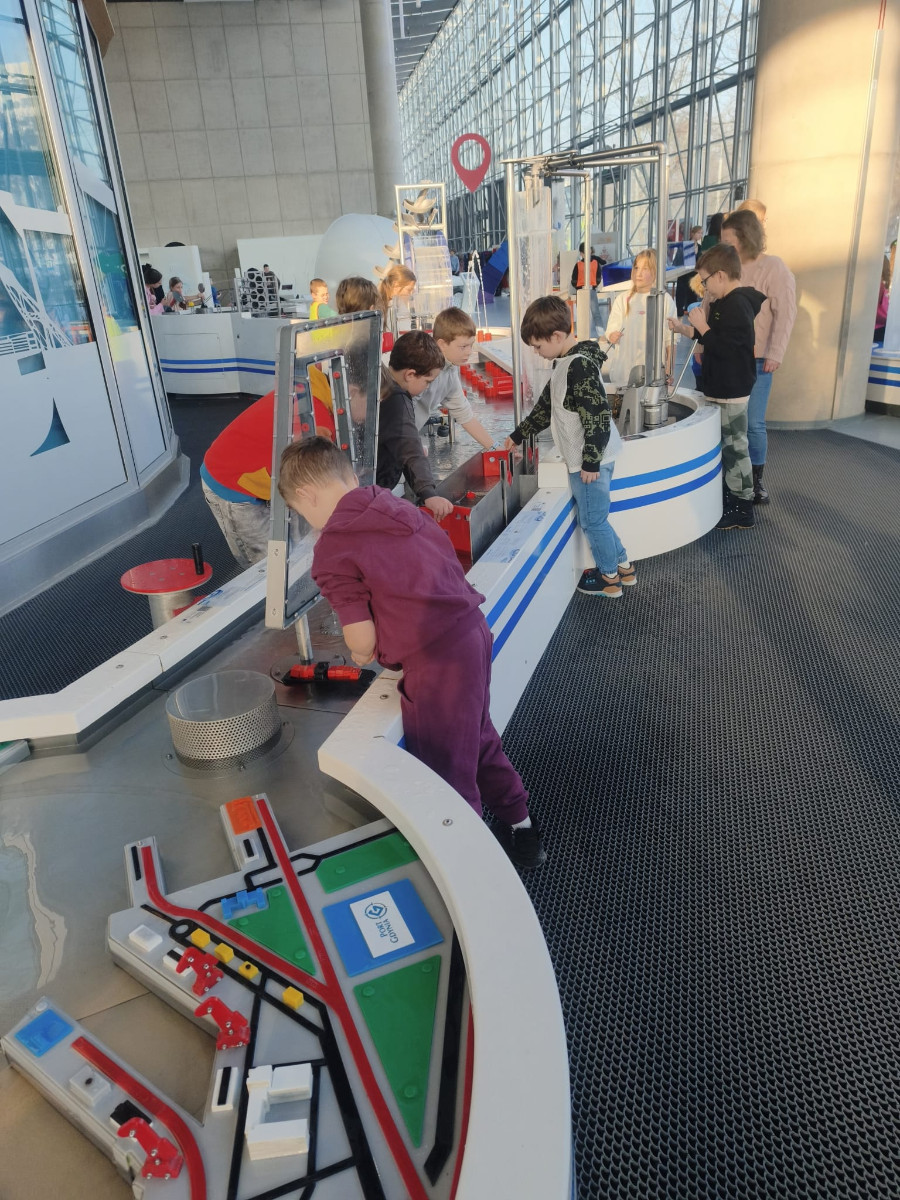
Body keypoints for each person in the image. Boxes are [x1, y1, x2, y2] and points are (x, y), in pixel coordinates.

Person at [276, 437, 546, 868]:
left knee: (446, 767)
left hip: (436, 663)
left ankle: (466, 864)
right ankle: (521, 823)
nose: (311, 524)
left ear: (307, 495)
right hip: (472, 632)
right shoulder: (394, 505)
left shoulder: (333, 548)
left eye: (301, 512)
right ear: (348, 476)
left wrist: (361, 654)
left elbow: (361, 640)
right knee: (477, 737)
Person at [504, 295, 634, 598]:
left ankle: (609, 579)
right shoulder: (567, 364)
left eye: (538, 346)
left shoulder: (578, 367)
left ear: (557, 336)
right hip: (594, 459)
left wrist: (590, 462)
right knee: (598, 518)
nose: (536, 353)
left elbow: (598, 416)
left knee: (593, 521)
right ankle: (623, 567)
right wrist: (519, 434)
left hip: (590, 464)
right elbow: (546, 406)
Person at [668, 243, 765, 531]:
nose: (704, 287)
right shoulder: (726, 303)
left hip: (731, 389)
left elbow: (726, 348)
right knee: (729, 446)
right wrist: (685, 329)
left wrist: (702, 326)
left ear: (720, 275)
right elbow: (712, 339)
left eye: (705, 280)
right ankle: (734, 496)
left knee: (735, 447)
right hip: (722, 386)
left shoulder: (737, 305)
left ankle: (742, 505)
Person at [719, 209, 796, 504]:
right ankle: (731, 477)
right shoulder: (726, 265)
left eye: (729, 240)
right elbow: (709, 302)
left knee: (752, 423)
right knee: (726, 421)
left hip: (758, 359)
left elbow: (785, 313)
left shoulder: (773, 267)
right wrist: (701, 346)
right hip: (726, 356)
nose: (725, 245)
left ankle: (756, 480)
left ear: (746, 237)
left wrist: (776, 352)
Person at [378, 331, 454, 520]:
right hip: (375, 489)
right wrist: (429, 493)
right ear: (410, 374)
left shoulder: (381, 383)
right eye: (427, 382)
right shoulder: (396, 399)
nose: (427, 388)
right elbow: (410, 448)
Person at [200, 392, 279, 568]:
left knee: (290, 552)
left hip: (264, 478)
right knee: (269, 567)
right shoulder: (319, 420)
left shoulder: (312, 385)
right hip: (232, 487)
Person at [414, 308, 494, 450]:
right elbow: (402, 412)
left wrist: (495, 448)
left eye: (471, 345)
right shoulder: (422, 368)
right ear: (442, 345)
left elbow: (464, 414)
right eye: (463, 347)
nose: (469, 352)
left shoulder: (450, 368)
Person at [603, 249, 676, 390]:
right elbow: (611, 328)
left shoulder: (665, 300)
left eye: (645, 269)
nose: (639, 273)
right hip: (623, 373)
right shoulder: (622, 299)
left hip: (653, 375)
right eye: (636, 268)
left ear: (656, 272)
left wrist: (669, 369)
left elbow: (670, 340)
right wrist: (612, 335)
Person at [570, 242, 606, 334]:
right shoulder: (580, 264)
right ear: (582, 253)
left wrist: (580, 287)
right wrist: (591, 285)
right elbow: (574, 279)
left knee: (590, 314)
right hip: (585, 291)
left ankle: (597, 335)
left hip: (586, 291)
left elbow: (598, 276)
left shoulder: (593, 263)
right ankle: (588, 335)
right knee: (588, 314)